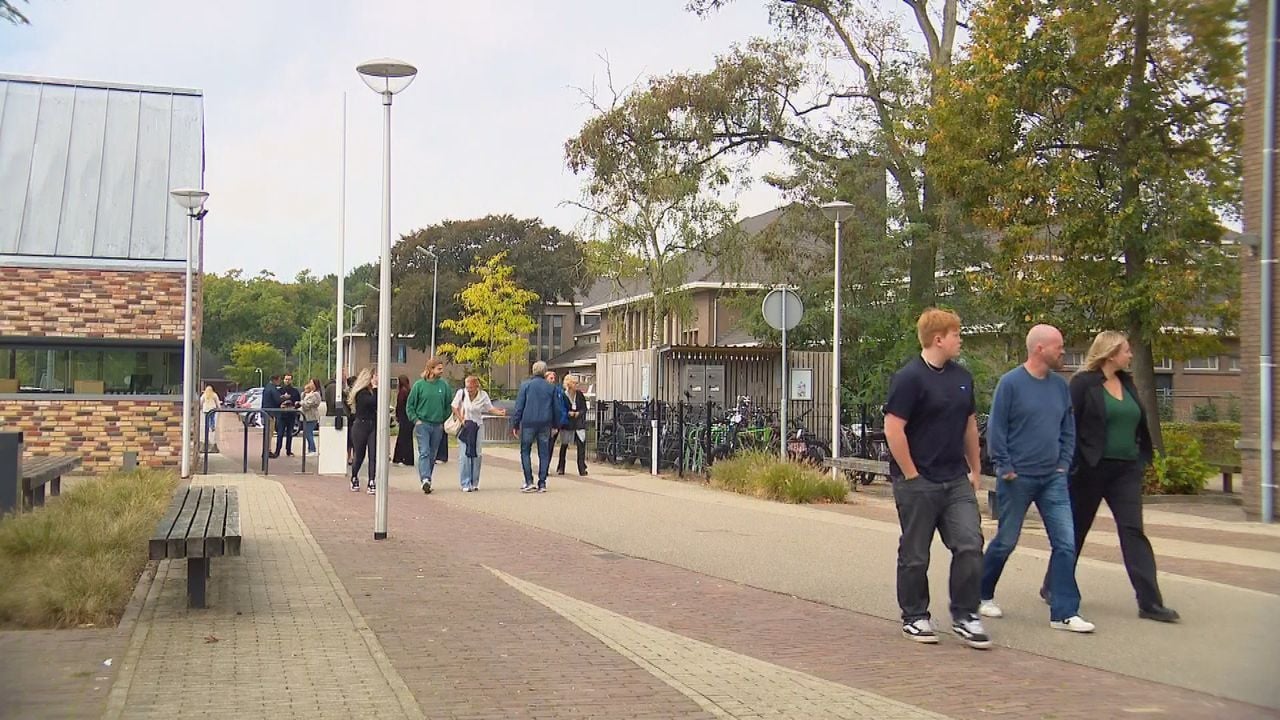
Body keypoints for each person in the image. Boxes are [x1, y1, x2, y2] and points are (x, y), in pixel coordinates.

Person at [1044, 331, 1180, 623]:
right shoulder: (1082, 384)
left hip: (1126, 470)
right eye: (1126, 351)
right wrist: (1070, 463)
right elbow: (1068, 425)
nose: (1130, 356)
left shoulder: (1128, 383)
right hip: (1091, 469)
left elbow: (1138, 423)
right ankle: (1053, 585)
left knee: (1133, 532)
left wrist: (1143, 456)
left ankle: (1150, 603)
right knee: (1076, 531)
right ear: (1110, 353)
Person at [883, 308, 989, 649]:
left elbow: (969, 425)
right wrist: (911, 474)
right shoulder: (909, 378)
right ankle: (915, 615)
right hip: (919, 480)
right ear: (938, 338)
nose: (960, 340)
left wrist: (975, 469)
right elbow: (893, 427)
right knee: (916, 553)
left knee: (970, 544)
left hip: (955, 479)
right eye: (956, 334)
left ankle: (966, 614)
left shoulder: (962, 378)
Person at [978, 325, 1094, 633]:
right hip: (1018, 477)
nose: (1063, 351)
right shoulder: (1011, 384)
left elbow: (1068, 428)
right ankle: (981, 592)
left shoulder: (1059, 387)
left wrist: (1063, 463)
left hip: (1052, 477)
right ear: (1039, 348)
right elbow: (997, 429)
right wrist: (1005, 465)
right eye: (1058, 346)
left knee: (1066, 543)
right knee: (1006, 541)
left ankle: (1065, 612)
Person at [451, 375, 507, 492]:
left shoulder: (483, 395)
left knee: (477, 454)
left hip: (477, 426)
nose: (469, 390)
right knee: (465, 455)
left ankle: (474, 481)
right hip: (465, 426)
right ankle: (465, 482)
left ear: (477, 387)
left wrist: (500, 413)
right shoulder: (461, 393)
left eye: (471, 387)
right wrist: (461, 419)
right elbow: (454, 406)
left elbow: (489, 408)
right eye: (467, 387)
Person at [406, 357, 452, 494]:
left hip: (437, 425)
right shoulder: (419, 386)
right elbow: (410, 405)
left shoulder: (444, 386)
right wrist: (415, 420)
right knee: (424, 452)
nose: (441, 371)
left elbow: (448, 405)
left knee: (432, 454)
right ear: (431, 369)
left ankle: (428, 478)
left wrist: (443, 419)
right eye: (439, 368)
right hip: (423, 424)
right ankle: (425, 479)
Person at [512, 360, 559, 493]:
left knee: (525, 451)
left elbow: (519, 406)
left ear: (533, 371)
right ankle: (542, 482)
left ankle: (529, 481)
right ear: (545, 372)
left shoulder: (526, 385)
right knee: (543, 453)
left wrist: (515, 423)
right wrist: (555, 425)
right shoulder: (551, 387)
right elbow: (556, 408)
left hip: (528, 422)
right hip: (545, 423)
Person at [348, 367, 379, 494]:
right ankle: (354, 476)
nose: (377, 378)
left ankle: (372, 480)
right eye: (375, 376)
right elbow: (372, 402)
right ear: (369, 378)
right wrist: (376, 388)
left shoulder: (374, 392)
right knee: (359, 455)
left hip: (373, 425)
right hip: (361, 426)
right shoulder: (361, 393)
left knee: (373, 455)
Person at [556, 374, 588, 476]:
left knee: (581, 445)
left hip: (578, 423)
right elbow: (561, 409)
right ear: (569, 384)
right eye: (574, 383)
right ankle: (561, 467)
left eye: (577, 383)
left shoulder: (579, 395)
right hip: (568, 423)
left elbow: (584, 408)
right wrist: (568, 413)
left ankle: (581, 468)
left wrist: (579, 413)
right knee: (564, 445)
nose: (576, 385)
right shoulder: (563, 395)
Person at [273, 373, 301, 457]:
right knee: (280, 433)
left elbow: (298, 402)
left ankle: (288, 451)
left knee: (289, 434)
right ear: (283, 380)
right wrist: (281, 405)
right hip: (282, 415)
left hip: (291, 415)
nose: (287, 381)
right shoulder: (279, 391)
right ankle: (277, 451)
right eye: (286, 379)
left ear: (291, 380)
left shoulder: (295, 391)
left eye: (289, 379)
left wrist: (294, 405)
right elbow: (276, 402)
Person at [392, 374, 415, 466]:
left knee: (402, 439)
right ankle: (408, 459)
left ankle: (400, 457)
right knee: (408, 439)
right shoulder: (410, 391)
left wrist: (397, 416)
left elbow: (400, 406)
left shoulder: (402, 392)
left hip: (404, 418)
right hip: (409, 419)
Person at [299, 378, 323, 454]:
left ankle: (312, 449)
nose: (310, 384)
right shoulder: (310, 393)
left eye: (311, 383)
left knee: (308, 433)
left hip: (311, 416)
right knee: (307, 433)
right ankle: (310, 448)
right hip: (307, 416)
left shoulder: (315, 394)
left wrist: (301, 403)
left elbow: (308, 404)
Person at [263, 375, 282, 458]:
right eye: (279, 380)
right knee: (269, 433)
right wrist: (284, 398)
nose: (279, 382)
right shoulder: (272, 388)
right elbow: (277, 400)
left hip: (266, 412)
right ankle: (267, 451)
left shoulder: (267, 387)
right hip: (270, 413)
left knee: (268, 433)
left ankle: (266, 450)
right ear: (275, 380)